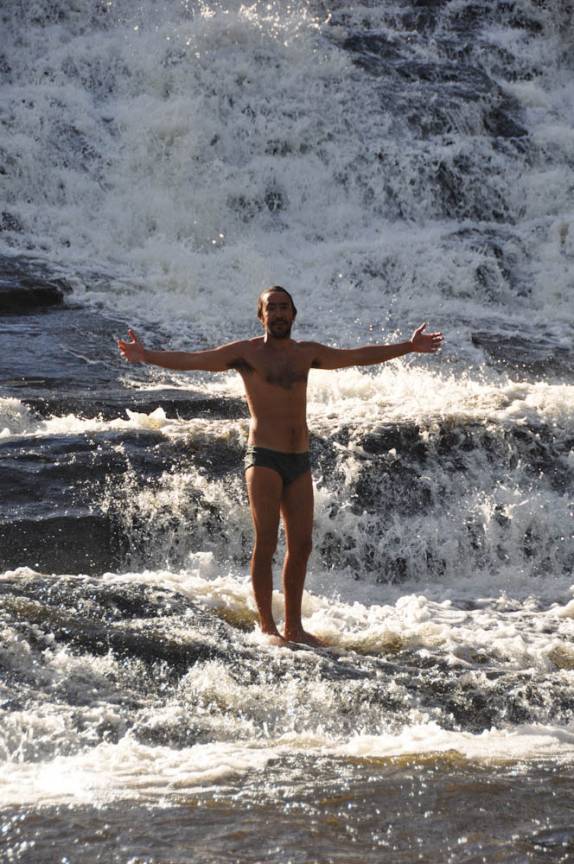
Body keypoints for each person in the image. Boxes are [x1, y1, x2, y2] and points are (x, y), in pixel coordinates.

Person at [118, 286, 443, 647]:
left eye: (284, 307)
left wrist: (408, 347)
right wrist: (145, 355)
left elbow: (356, 356)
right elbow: (196, 360)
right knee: (267, 541)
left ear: (294, 314)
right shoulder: (246, 353)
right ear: (261, 316)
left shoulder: (307, 354)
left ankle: (294, 627)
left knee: (302, 545)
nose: (278, 313)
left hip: (299, 460)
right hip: (264, 458)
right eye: (271, 308)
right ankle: (266, 626)